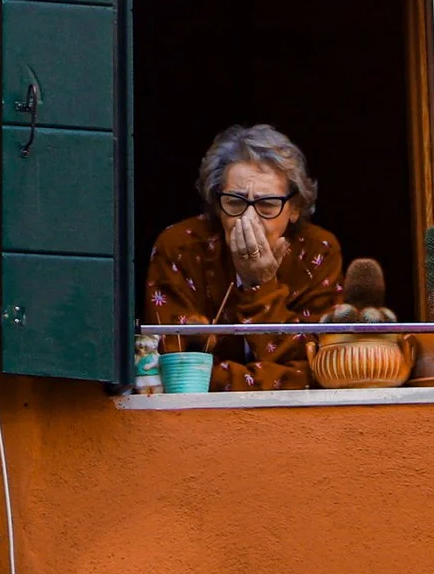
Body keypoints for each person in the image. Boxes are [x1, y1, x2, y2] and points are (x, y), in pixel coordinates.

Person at [142, 124, 344, 391]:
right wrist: (280, 379)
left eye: (267, 205)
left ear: (294, 208)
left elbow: (322, 368)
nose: (249, 219)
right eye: (235, 203)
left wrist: (260, 285)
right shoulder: (180, 247)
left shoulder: (319, 250)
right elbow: (177, 370)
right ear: (217, 204)